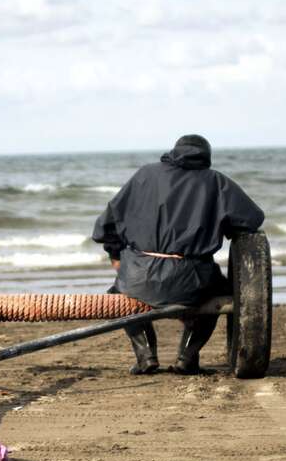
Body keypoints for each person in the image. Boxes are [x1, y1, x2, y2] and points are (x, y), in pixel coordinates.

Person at [90, 134, 266, 375]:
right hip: (193, 280)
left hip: (138, 276)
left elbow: (105, 226)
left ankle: (145, 357)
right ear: (207, 156)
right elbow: (251, 220)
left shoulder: (144, 175)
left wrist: (115, 256)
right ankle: (187, 358)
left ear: (173, 152)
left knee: (119, 294)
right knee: (224, 294)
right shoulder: (216, 181)